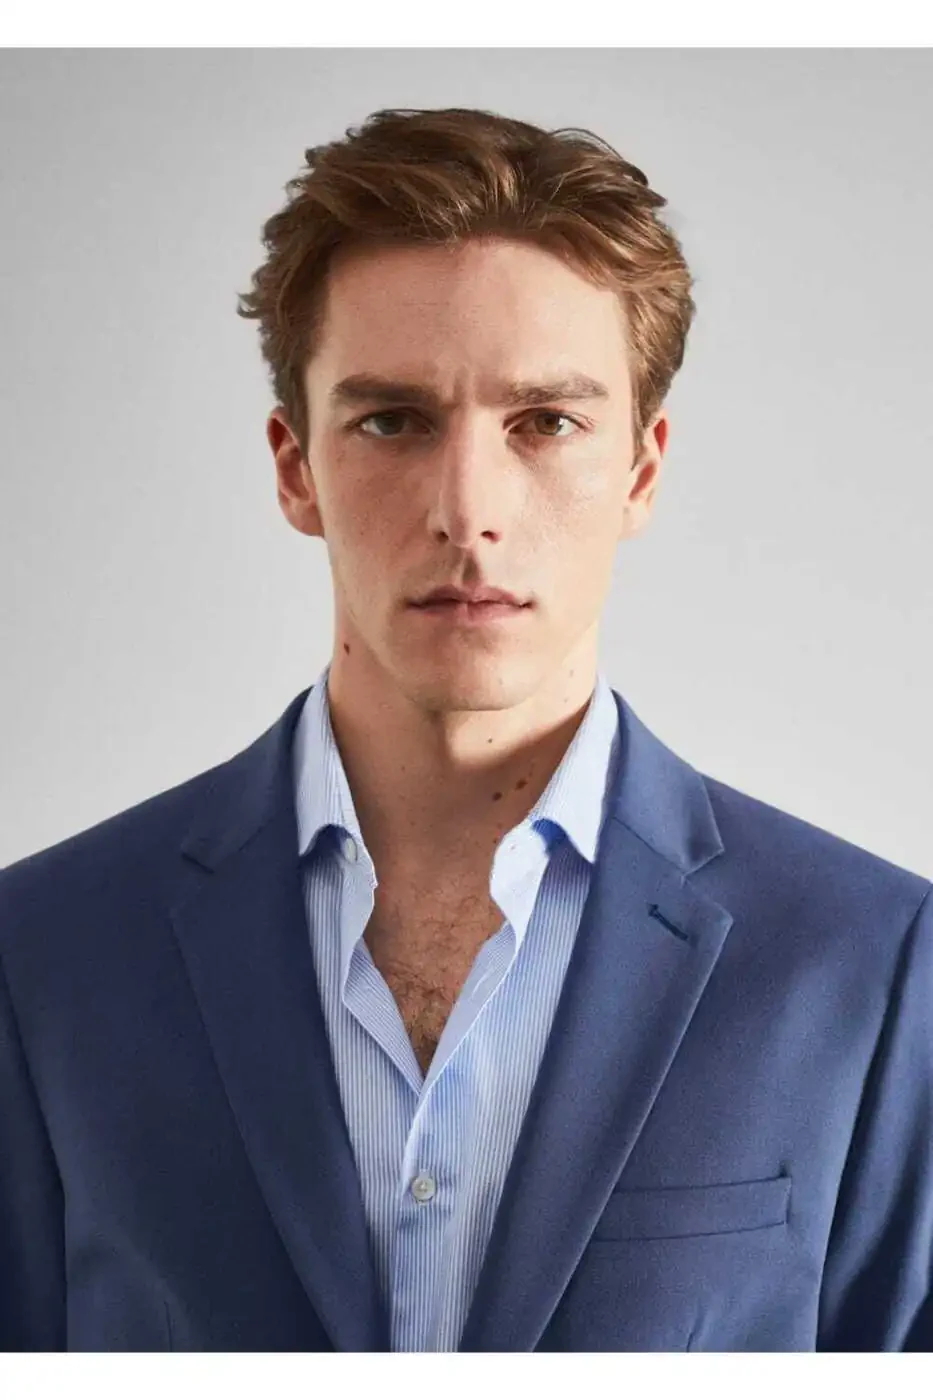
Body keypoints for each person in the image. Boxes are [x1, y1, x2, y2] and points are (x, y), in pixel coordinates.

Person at [1, 105, 930, 1355]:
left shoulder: (872, 965)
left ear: (642, 468)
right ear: (295, 466)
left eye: (546, 421)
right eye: (393, 419)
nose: (467, 508)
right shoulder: (43, 957)